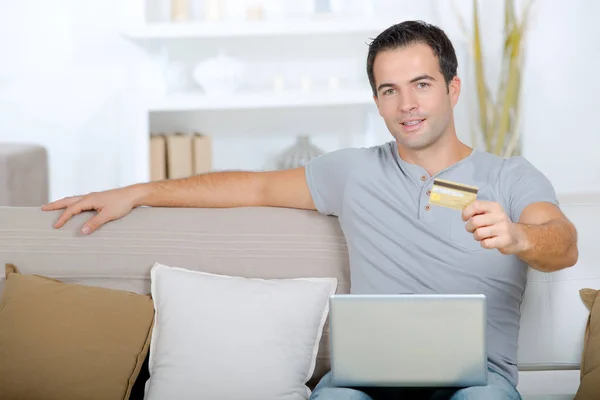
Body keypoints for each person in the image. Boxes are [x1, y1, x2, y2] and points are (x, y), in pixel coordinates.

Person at [43, 20, 578, 400]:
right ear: (377, 102)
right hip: (366, 379)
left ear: (452, 88)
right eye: (389, 90)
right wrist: (138, 192)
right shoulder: (351, 171)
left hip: (479, 379)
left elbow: (563, 243)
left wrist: (519, 238)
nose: (407, 104)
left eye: (421, 85)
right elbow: (250, 189)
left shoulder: (510, 176)